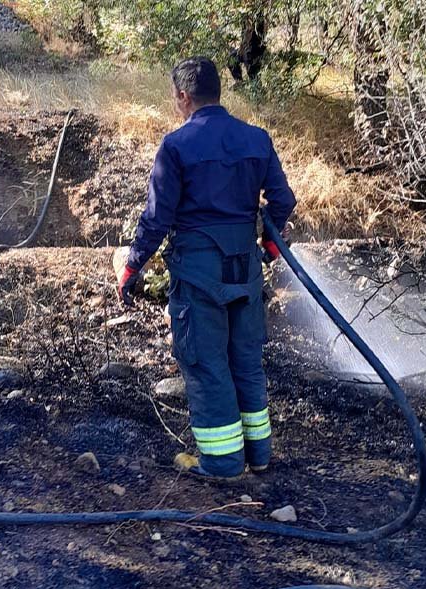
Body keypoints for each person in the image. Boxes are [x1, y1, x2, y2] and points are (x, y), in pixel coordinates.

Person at [117, 56, 296, 481]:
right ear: (218, 92)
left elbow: (157, 219)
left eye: (174, 97)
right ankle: (259, 455)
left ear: (183, 96)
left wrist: (132, 266)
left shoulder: (176, 146)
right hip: (245, 269)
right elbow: (283, 200)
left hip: (199, 273)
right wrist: (269, 246)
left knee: (205, 361)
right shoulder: (256, 139)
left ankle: (222, 463)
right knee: (246, 360)